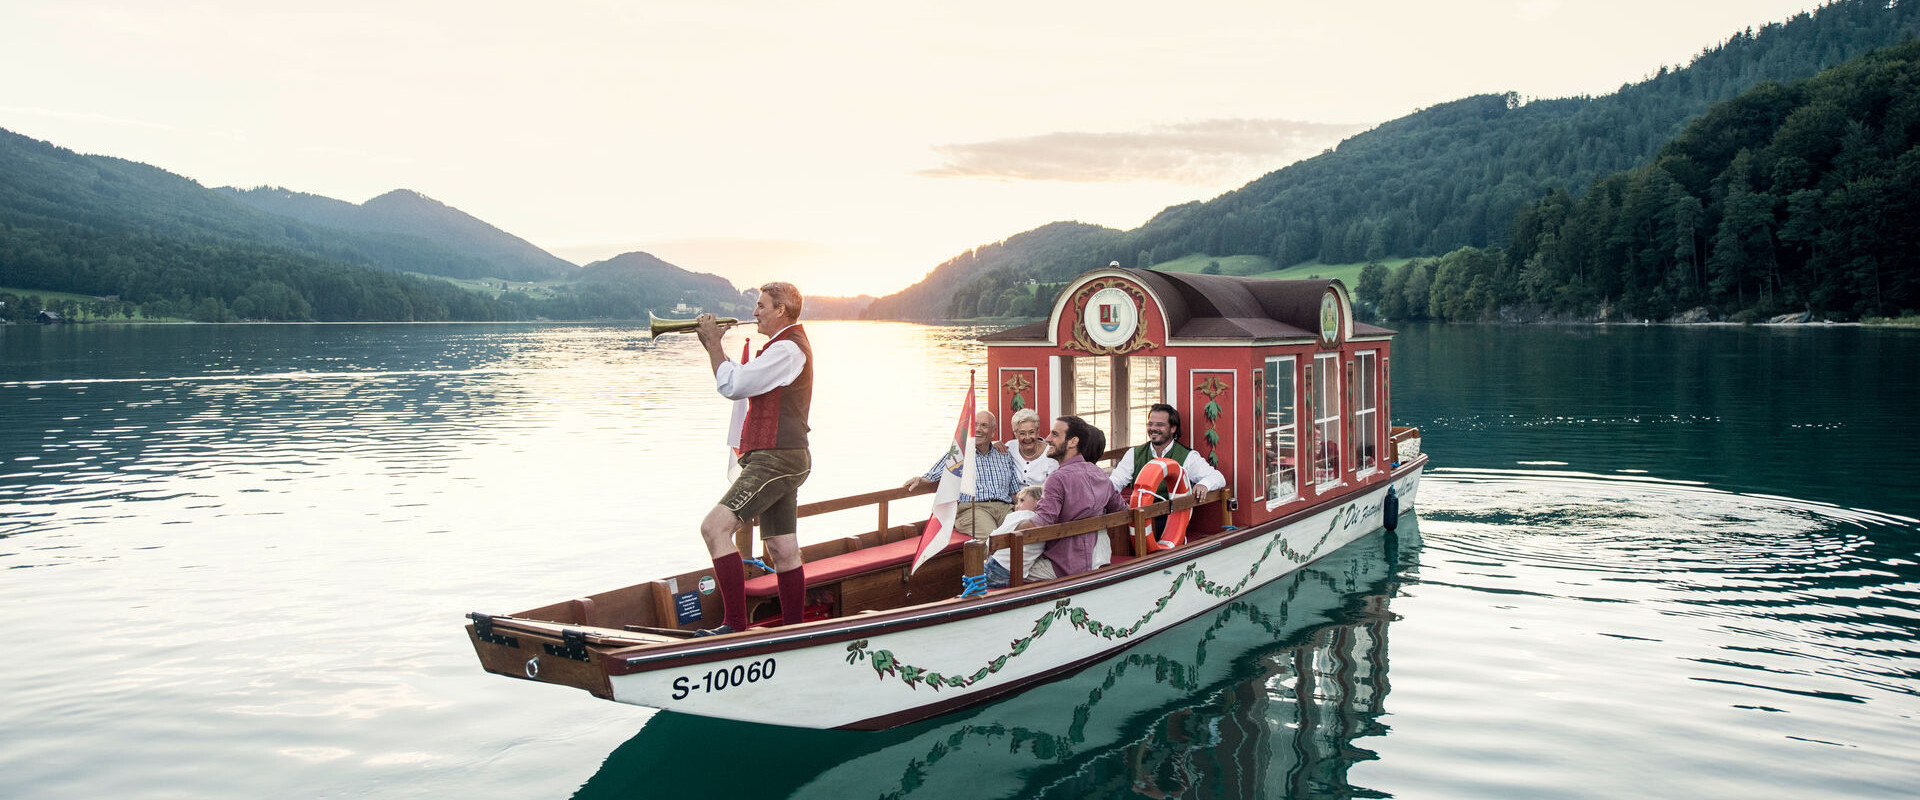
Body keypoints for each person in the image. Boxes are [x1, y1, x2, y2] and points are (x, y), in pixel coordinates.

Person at [692, 282, 811, 636]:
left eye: (761, 305)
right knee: (782, 547)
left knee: (714, 529)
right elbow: (740, 380)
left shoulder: (787, 350)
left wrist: (714, 345)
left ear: (781, 310)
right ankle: (796, 633)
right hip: (784, 456)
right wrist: (717, 351)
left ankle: (734, 626)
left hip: (777, 459)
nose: (755, 312)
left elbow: (732, 387)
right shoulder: (781, 348)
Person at [1012, 415, 1126, 581]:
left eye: (1055, 434)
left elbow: (1042, 522)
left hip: (1064, 565)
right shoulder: (1099, 473)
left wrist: (1010, 531)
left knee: (1005, 570)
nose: (1048, 439)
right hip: (1098, 558)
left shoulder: (1057, 479)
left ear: (1073, 442)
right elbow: (1122, 510)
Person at [903, 409, 1024, 537]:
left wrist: (1028, 507)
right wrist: (920, 480)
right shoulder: (960, 453)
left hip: (1004, 509)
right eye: (975, 425)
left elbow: (1013, 492)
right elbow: (933, 475)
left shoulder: (1003, 455)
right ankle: (995, 557)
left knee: (1024, 532)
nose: (978, 429)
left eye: (984, 425)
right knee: (993, 538)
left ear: (993, 432)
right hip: (973, 509)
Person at [1109, 402, 1227, 502]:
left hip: (1170, 519)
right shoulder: (1134, 454)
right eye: (1150, 424)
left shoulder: (1188, 457)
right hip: (1140, 519)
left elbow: (1218, 477)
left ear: (1173, 428)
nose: (1153, 428)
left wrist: (1204, 485)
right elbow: (1115, 482)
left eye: (1159, 425)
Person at [982, 485, 1044, 588]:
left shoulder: (1021, 515)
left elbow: (992, 540)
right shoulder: (1045, 521)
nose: (1017, 506)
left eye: (1022, 501)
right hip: (1018, 572)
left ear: (1038, 502)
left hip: (997, 567)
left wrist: (987, 557)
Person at [1004, 407, 1058, 487]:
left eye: (1031, 432)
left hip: (1041, 497)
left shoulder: (1051, 454)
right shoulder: (1010, 447)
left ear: (1038, 431)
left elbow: (1051, 489)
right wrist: (994, 443)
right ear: (1015, 434)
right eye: (1022, 433)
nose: (1028, 437)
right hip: (1014, 498)